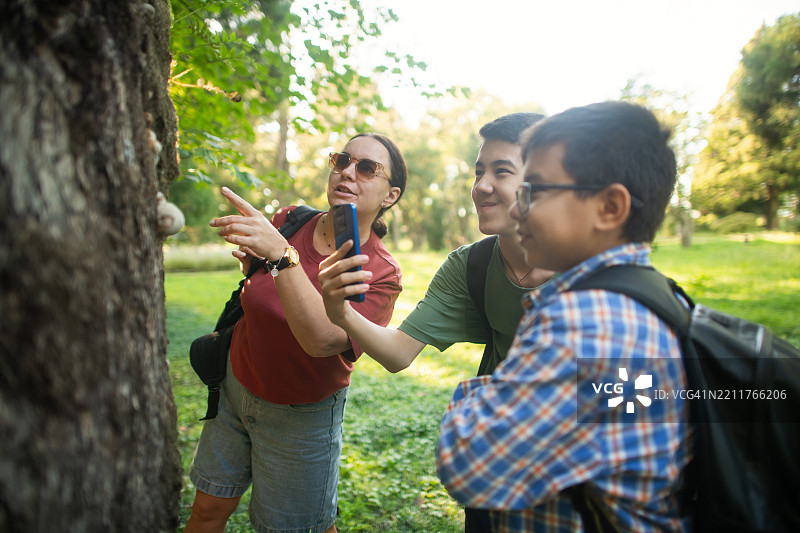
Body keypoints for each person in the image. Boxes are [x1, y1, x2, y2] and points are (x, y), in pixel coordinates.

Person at [435, 101, 694, 532]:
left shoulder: (585, 324)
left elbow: (468, 465)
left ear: (609, 207)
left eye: (536, 188)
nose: (519, 209)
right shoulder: (652, 298)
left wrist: (481, 393)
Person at [319, 112, 555, 532]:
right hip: (497, 463)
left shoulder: (595, 268)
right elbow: (397, 353)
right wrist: (340, 313)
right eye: (479, 170)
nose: (481, 186)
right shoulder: (472, 266)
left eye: (502, 171)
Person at [184, 133, 407, 533]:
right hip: (236, 386)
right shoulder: (289, 221)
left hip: (302, 415)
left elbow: (321, 340)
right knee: (206, 510)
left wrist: (282, 257)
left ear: (390, 195)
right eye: (342, 160)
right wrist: (254, 264)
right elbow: (260, 286)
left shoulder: (381, 272)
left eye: (367, 168)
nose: (347, 172)